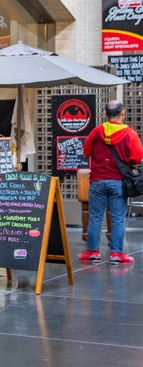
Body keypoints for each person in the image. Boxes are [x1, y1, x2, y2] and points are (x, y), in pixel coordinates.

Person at [81, 100, 143, 264]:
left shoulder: (96, 132)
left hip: (97, 181)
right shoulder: (130, 134)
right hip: (118, 182)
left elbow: (86, 150)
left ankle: (92, 251)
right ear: (123, 113)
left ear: (105, 114)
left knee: (95, 217)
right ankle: (116, 253)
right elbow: (137, 157)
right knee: (117, 218)